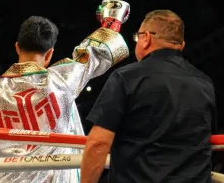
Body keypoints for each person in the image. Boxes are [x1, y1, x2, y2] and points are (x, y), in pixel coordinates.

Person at [0, 0, 131, 183]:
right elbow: (95, 53)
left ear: (17, 47)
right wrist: (112, 22)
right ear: (49, 54)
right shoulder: (61, 81)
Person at [81, 10, 216, 183]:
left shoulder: (126, 77)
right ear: (181, 46)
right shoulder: (204, 83)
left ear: (146, 39)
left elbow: (98, 143)